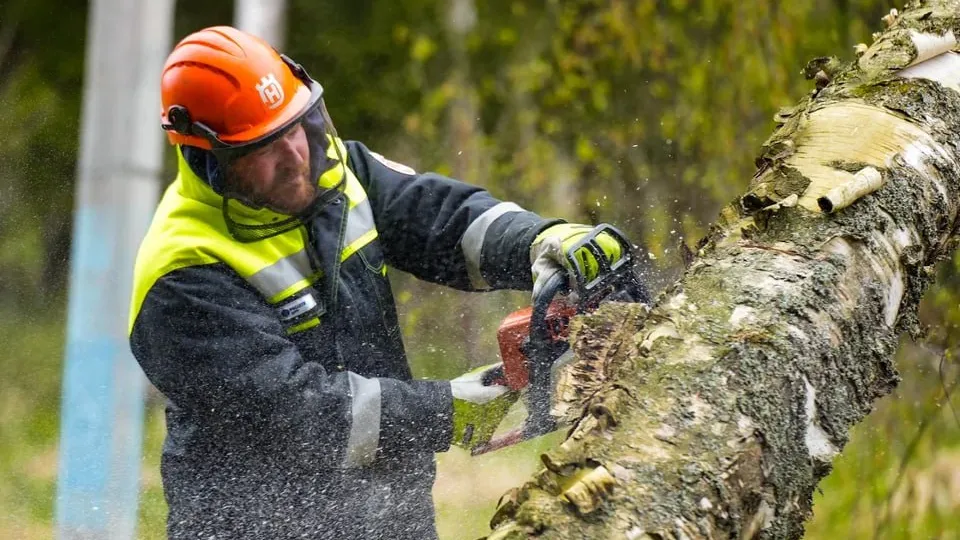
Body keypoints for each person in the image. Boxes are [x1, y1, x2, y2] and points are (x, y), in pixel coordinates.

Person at [128, 25, 630, 540]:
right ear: (210, 160)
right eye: (265, 147)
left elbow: (444, 220)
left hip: (392, 514)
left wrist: (540, 241)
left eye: (296, 127)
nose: (296, 156)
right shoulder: (182, 273)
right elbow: (296, 416)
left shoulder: (337, 174)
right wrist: (443, 410)